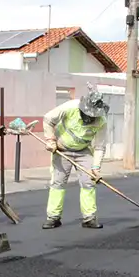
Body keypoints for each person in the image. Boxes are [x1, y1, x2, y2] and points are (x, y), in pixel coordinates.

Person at [41, 87, 109, 230]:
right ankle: (53, 217)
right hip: (61, 149)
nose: (90, 117)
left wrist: (96, 168)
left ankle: (89, 218)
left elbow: (99, 147)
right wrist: (50, 140)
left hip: (83, 151)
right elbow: (48, 119)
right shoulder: (70, 107)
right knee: (58, 183)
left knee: (88, 182)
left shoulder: (101, 120)